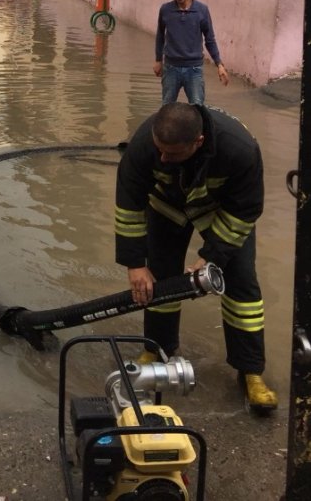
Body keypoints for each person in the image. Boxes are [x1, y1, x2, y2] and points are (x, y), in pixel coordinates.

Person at [115, 102, 277, 412]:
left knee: (242, 285)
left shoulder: (239, 149)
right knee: (160, 281)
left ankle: (251, 372)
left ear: (198, 142)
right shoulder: (143, 146)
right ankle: (157, 349)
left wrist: (213, 255)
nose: (163, 158)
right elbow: (129, 205)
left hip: (220, 213)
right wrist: (135, 264)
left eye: (172, 154)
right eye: (159, 150)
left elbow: (246, 210)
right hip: (165, 208)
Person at [154, 0, 228, 104]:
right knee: (166, 108)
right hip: (171, 67)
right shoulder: (165, 10)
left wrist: (219, 64)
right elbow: (160, 35)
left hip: (194, 69)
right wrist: (158, 60)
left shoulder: (202, 10)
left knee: (197, 107)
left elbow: (209, 39)